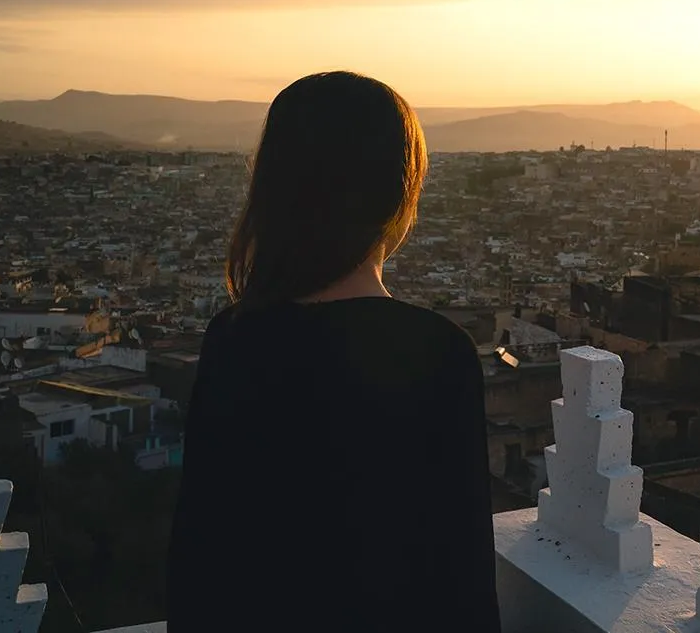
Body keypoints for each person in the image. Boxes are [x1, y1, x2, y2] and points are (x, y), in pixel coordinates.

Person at [167, 71, 500, 632]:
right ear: (400, 190)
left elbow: (200, 553)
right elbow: (461, 573)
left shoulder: (234, 338)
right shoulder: (437, 353)